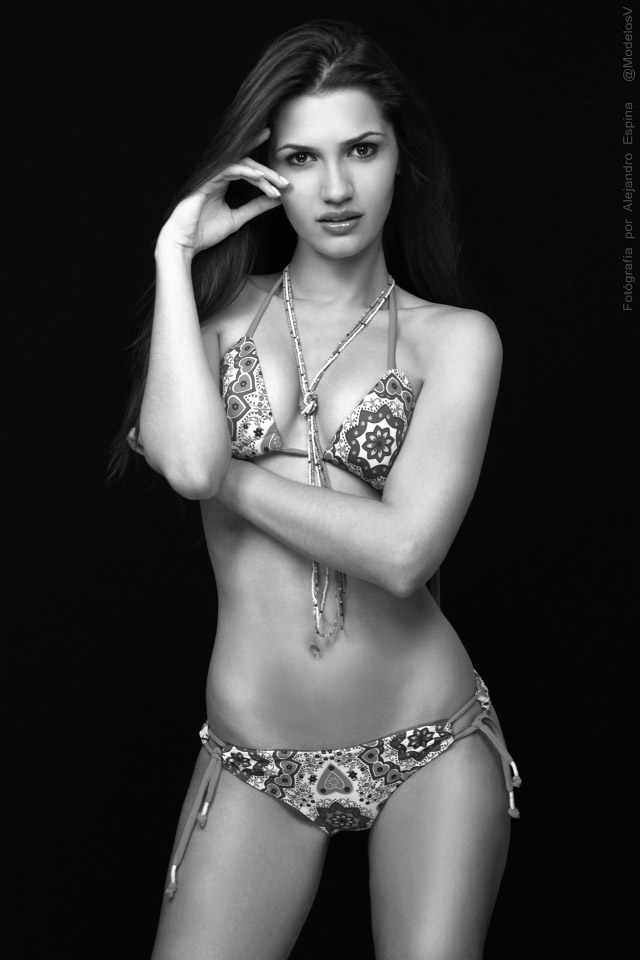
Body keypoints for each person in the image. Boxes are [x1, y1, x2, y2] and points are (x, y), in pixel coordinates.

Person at [112, 19, 520, 960]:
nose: (336, 188)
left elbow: (403, 552)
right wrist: (174, 251)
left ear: (400, 157)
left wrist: (228, 479)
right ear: (264, 173)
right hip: (255, 757)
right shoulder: (215, 320)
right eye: (302, 157)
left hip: (428, 738)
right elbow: (184, 464)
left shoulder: (456, 341)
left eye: (362, 150)